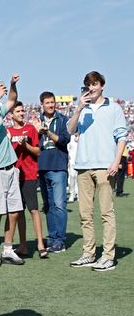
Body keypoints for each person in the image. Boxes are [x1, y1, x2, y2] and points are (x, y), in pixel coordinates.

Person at [67, 71, 127, 272]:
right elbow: (70, 130)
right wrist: (78, 109)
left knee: (106, 213)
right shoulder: (82, 109)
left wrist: (116, 162)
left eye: (94, 84)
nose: (91, 88)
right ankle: (88, 253)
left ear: (102, 85)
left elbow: (122, 137)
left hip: (105, 166)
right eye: (88, 84)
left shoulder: (114, 108)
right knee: (85, 214)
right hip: (83, 166)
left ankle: (108, 256)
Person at [0, 74, 25, 265]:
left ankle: (8, 249)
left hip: (11, 168)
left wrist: (12, 85)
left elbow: (12, 99)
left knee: (15, 211)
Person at [8, 101, 47, 259]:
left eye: (22, 111)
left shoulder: (30, 129)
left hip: (29, 174)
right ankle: (23, 245)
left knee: (34, 209)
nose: (21, 113)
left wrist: (25, 146)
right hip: (14, 175)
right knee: (19, 212)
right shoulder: (8, 131)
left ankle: (40, 244)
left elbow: (38, 151)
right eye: (18, 111)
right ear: (11, 114)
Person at [32, 91, 70, 252]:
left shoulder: (63, 120)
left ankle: (59, 239)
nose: (51, 105)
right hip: (42, 167)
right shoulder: (36, 121)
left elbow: (64, 140)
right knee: (48, 205)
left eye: (52, 102)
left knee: (60, 205)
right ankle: (52, 236)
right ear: (42, 104)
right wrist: (34, 129)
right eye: (47, 103)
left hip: (58, 166)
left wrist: (47, 132)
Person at [67, 133, 79, 202]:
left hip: (80, 162)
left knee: (78, 178)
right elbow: (68, 150)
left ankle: (78, 194)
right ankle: (72, 194)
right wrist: (68, 161)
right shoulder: (70, 138)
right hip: (71, 161)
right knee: (71, 177)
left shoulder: (81, 137)